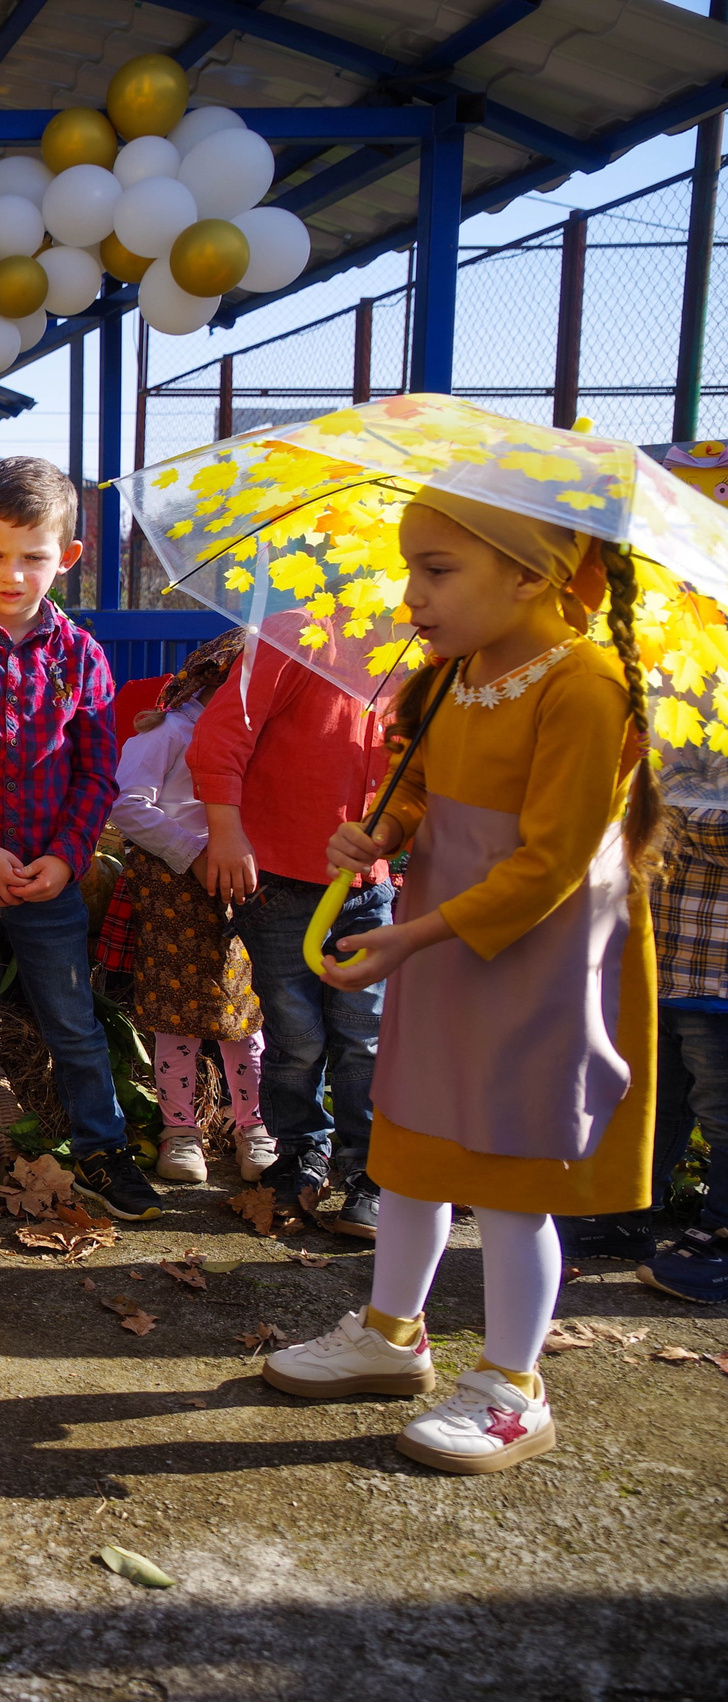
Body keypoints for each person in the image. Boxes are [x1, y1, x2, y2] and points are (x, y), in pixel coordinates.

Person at [263, 489, 661, 1475]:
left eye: (435, 571)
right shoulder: (453, 675)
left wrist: (416, 936)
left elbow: (552, 860)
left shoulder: (584, 684)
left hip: (533, 956)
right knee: (414, 1142)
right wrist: (384, 831)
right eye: (410, 570)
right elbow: (430, 790)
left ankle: (512, 1383)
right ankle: (391, 1333)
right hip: (440, 941)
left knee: (511, 1172)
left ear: (527, 572)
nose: (411, 596)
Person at [0, 457, 160, 1225]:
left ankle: (102, 1150)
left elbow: (95, 768)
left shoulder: (81, 656)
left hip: (49, 875)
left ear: (68, 557)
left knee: (73, 1021)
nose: (13, 574)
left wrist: (68, 856)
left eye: (34, 556)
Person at [186, 607, 394, 1239]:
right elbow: (221, 740)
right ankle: (300, 1153)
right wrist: (225, 832)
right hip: (280, 881)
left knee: (363, 1034)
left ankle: (369, 1171)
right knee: (297, 1033)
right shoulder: (296, 635)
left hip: (365, 884)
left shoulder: (417, 651)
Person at [105, 630, 272, 1185]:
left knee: (242, 1013)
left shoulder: (258, 740)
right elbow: (127, 805)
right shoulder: (168, 734)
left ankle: (251, 1125)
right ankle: (181, 1131)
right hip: (176, 892)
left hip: (239, 890)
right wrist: (194, 851)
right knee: (175, 1015)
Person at [596, 806, 728, 1299]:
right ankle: (625, 1217)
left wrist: (656, 808)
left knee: (722, 1119)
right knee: (656, 1104)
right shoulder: (690, 739)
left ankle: (720, 1241)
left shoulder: (686, 781)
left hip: (718, 980)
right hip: (667, 972)